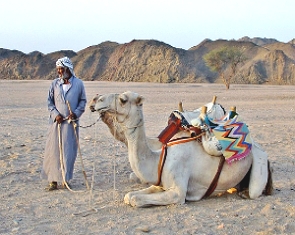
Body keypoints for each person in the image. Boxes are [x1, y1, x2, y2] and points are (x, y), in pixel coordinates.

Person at [41, 57, 87, 191]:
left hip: (70, 124)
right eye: (58, 69)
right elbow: (49, 102)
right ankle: (53, 181)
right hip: (56, 124)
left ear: (68, 69)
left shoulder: (78, 84)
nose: (59, 72)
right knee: (54, 151)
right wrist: (56, 115)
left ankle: (65, 179)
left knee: (68, 152)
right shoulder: (54, 84)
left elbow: (83, 101)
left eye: (61, 69)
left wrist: (75, 114)